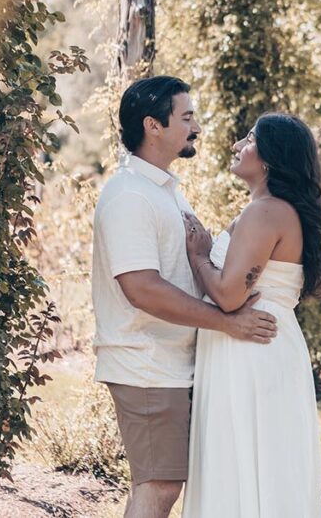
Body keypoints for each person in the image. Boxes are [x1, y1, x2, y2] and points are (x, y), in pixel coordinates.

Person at [91, 76, 278, 518]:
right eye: (187, 117)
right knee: (157, 487)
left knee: (159, 486)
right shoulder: (128, 196)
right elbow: (141, 288)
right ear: (153, 125)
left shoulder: (165, 191)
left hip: (173, 363)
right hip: (146, 363)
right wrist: (227, 323)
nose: (196, 127)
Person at [181, 113, 321, 518]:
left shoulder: (266, 213)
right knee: (259, 462)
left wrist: (199, 256)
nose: (237, 146)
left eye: (248, 139)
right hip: (256, 345)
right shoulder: (274, 210)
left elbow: (230, 296)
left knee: (246, 458)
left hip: (251, 348)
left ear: (269, 157)